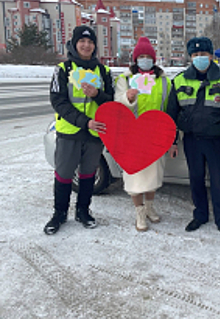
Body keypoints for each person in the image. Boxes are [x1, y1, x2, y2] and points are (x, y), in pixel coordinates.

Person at [167, 37, 220, 241]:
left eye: (204, 54)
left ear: (211, 56)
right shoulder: (179, 80)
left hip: (217, 142)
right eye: (196, 55)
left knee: (219, 182)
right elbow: (171, 114)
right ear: (190, 57)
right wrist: (172, 141)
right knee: (196, 180)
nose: (200, 58)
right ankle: (200, 215)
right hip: (191, 140)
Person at [44, 25, 114, 235]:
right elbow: (58, 102)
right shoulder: (63, 70)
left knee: (87, 175)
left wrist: (97, 95)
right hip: (70, 132)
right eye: (82, 41)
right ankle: (59, 214)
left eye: (90, 42)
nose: (86, 45)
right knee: (64, 175)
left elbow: (111, 103)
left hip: (95, 134)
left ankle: (83, 211)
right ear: (74, 44)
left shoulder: (104, 71)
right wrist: (85, 122)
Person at [114, 37, 171, 232]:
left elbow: (168, 106)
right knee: (134, 176)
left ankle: (149, 207)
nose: (145, 60)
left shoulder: (163, 80)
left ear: (154, 59)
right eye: (141, 56)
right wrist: (127, 97)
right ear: (135, 59)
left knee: (153, 176)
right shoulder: (125, 79)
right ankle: (139, 212)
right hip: (132, 136)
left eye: (148, 56)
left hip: (155, 135)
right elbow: (117, 106)